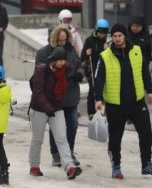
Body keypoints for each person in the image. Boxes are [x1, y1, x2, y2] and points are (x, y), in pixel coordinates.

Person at [94, 23, 152, 179]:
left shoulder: (137, 51)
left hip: (137, 102)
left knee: (146, 133)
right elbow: (98, 79)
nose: (117, 39)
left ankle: (147, 164)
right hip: (115, 104)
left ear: (124, 36)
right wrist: (98, 98)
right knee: (115, 138)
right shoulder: (105, 56)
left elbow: (145, 72)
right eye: (114, 36)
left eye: (120, 35)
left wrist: (150, 91)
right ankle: (116, 166)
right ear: (111, 38)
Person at [29, 47, 82, 180]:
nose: (61, 63)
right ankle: (34, 166)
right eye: (59, 60)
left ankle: (69, 167)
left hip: (56, 108)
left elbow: (67, 88)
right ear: (52, 59)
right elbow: (37, 92)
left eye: (63, 60)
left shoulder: (66, 71)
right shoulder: (42, 70)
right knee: (37, 139)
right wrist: (47, 107)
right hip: (39, 109)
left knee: (62, 138)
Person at [35, 25, 83, 167]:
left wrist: (80, 72)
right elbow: (40, 72)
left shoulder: (71, 49)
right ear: (54, 39)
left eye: (65, 39)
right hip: (54, 96)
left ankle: (69, 151)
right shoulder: (44, 52)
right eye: (60, 40)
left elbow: (79, 64)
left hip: (71, 94)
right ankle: (55, 154)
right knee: (56, 127)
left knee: (72, 124)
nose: (62, 42)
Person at [81, 19, 110, 120]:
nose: (102, 35)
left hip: (104, 69)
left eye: (104, 33)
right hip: (92, 69)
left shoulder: (107, 41)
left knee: (102, 91)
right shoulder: (90, 40)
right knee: (93, 90)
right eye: (100, 32)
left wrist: (108, 50)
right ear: (97, 30)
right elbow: (82, 57)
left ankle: (101, 111)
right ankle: (91, 112)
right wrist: (86, 53)